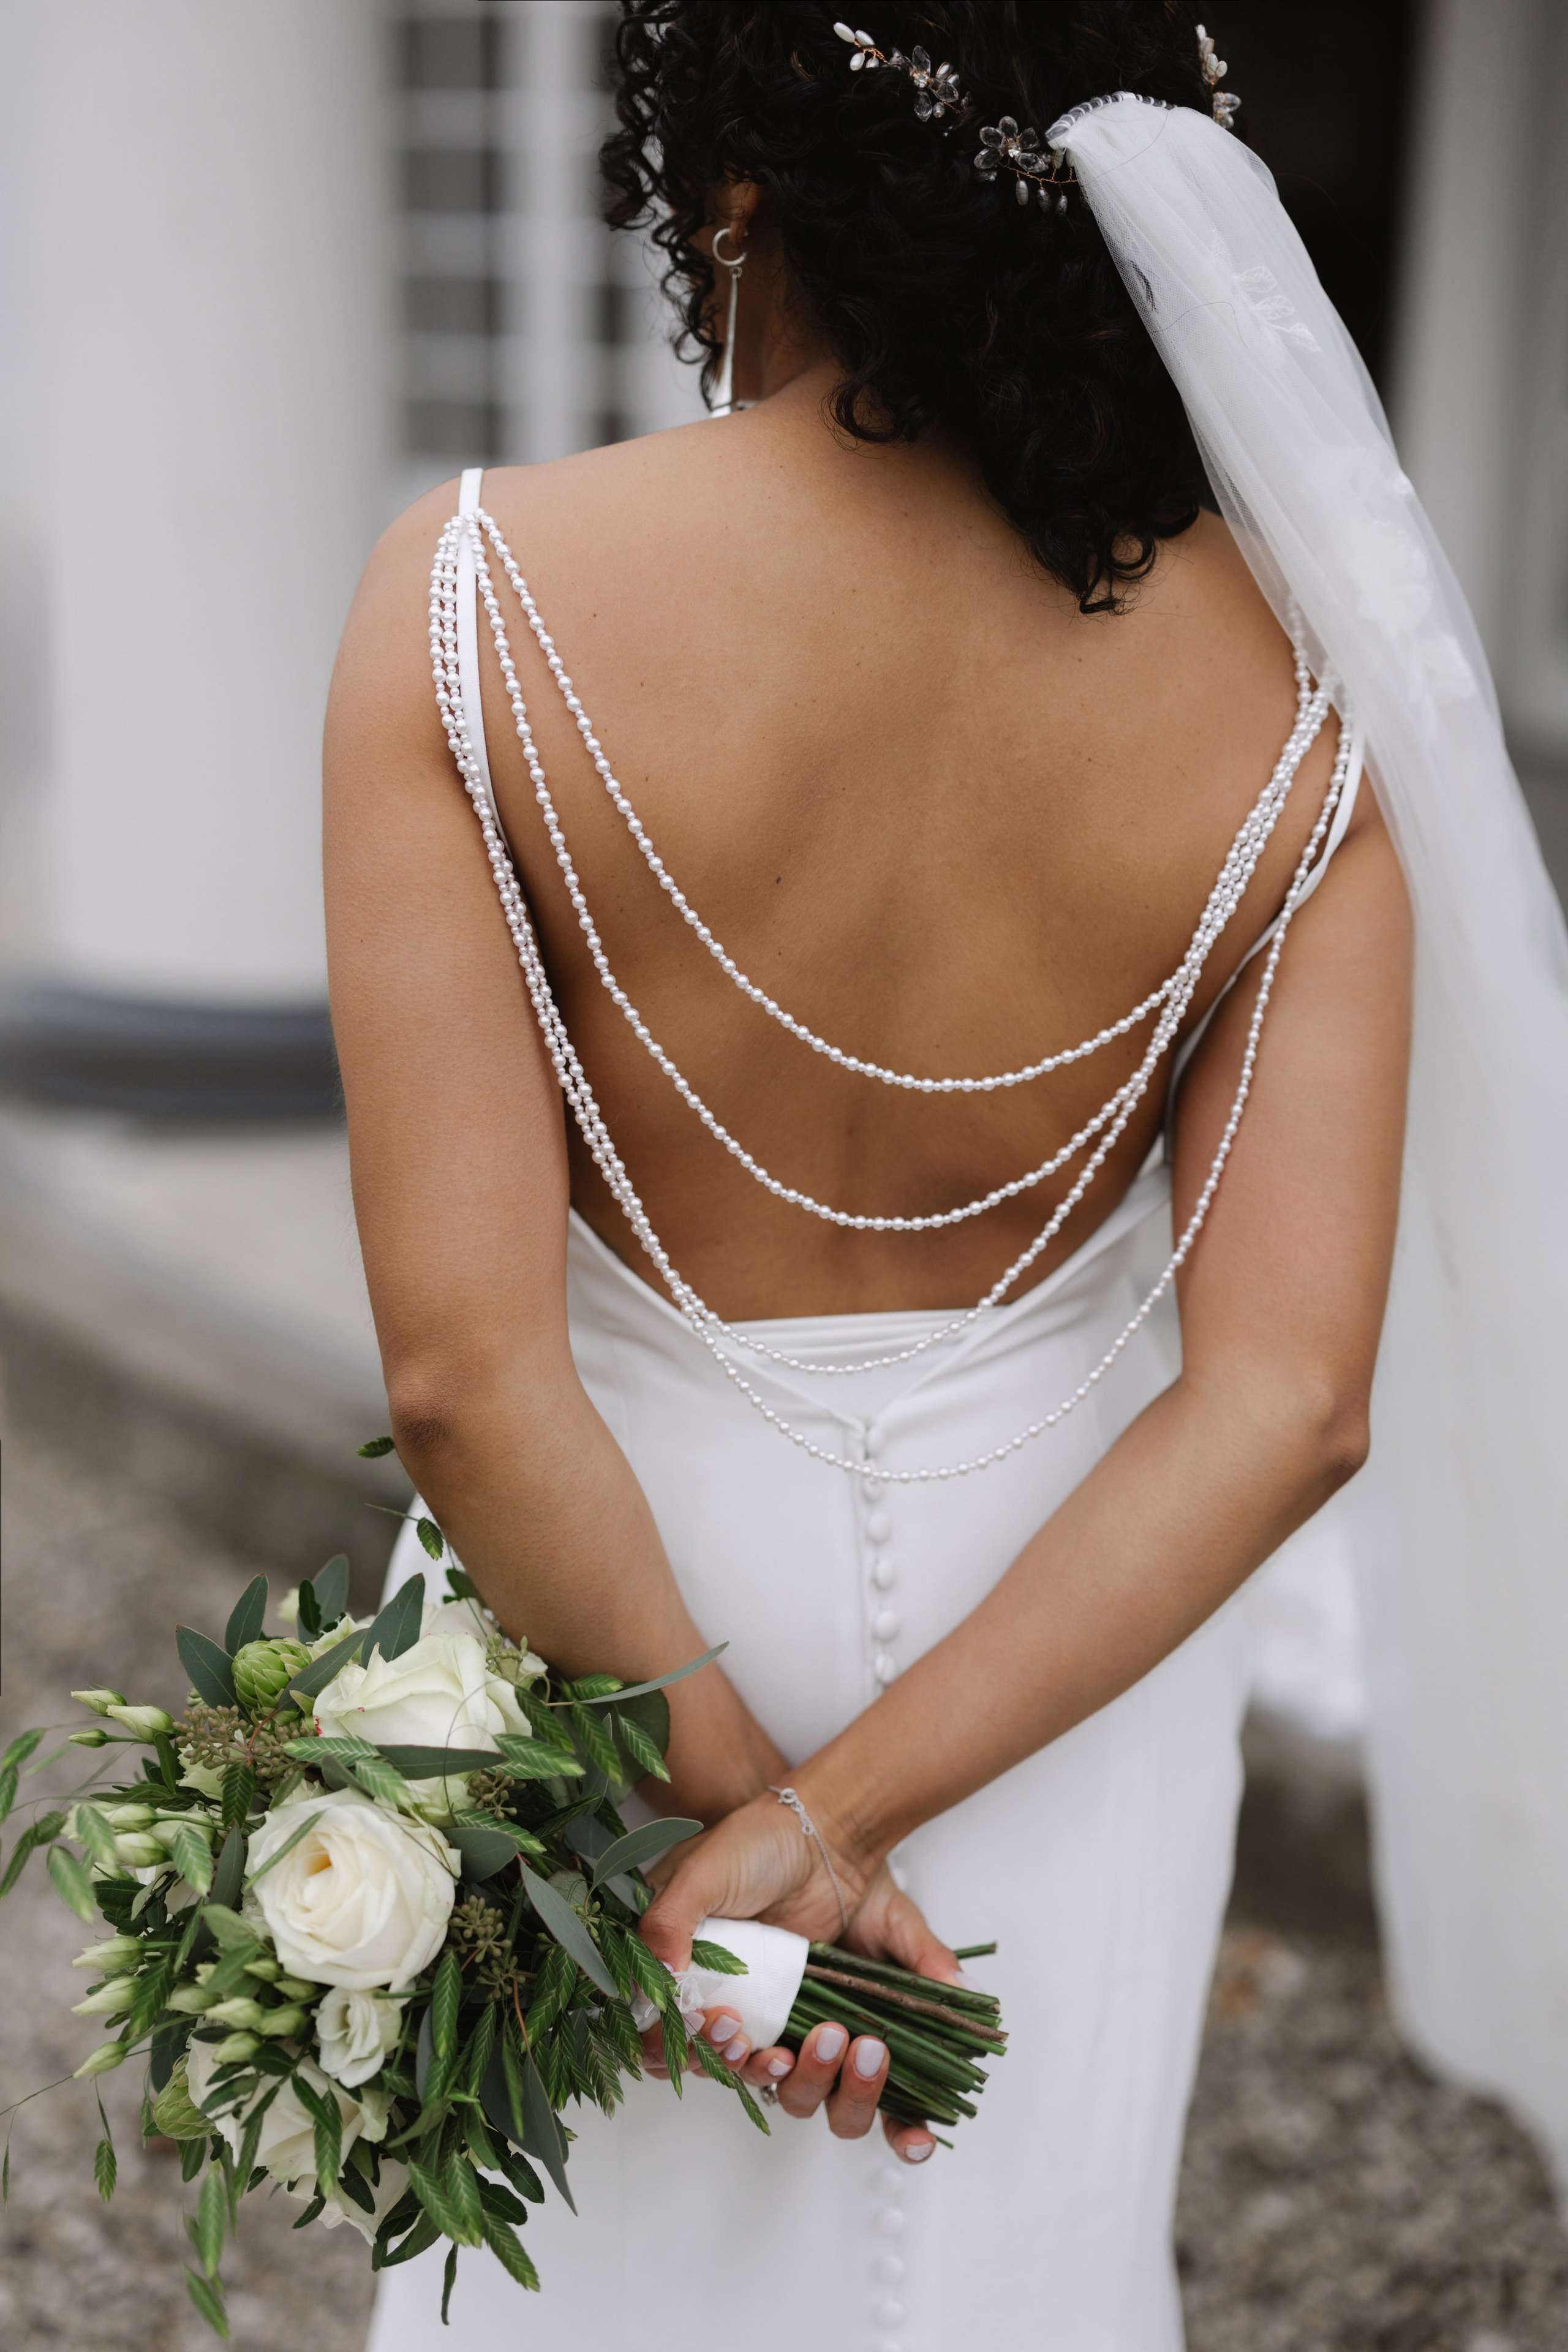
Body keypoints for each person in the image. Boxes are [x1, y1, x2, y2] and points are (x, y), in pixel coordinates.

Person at [326, 7, 1568, 2347]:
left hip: (612, 1627)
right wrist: (844, 1818)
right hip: (1056, 1656)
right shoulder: (1306, 697)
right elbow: (1290, 1399)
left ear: (735, 196)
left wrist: (730, 1804)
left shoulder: (475, 593)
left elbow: (469, 1375)